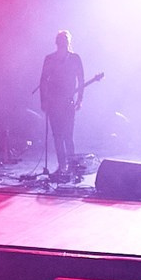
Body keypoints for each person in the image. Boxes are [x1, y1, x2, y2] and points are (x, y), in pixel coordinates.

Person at [34, 33, 92, 174]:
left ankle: (71, 166)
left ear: (68, 42)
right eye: (60, 40)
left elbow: (81, 79)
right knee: (57, 135)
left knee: (67, 135)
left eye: (64, 40)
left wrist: (80, 99)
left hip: (68, 102)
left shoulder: (74, 58)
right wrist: (44, 101)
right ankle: (62, 165)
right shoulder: (50, 59)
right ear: (56, 42)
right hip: (54, 102)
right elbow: (43, 81)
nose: (62, 43)